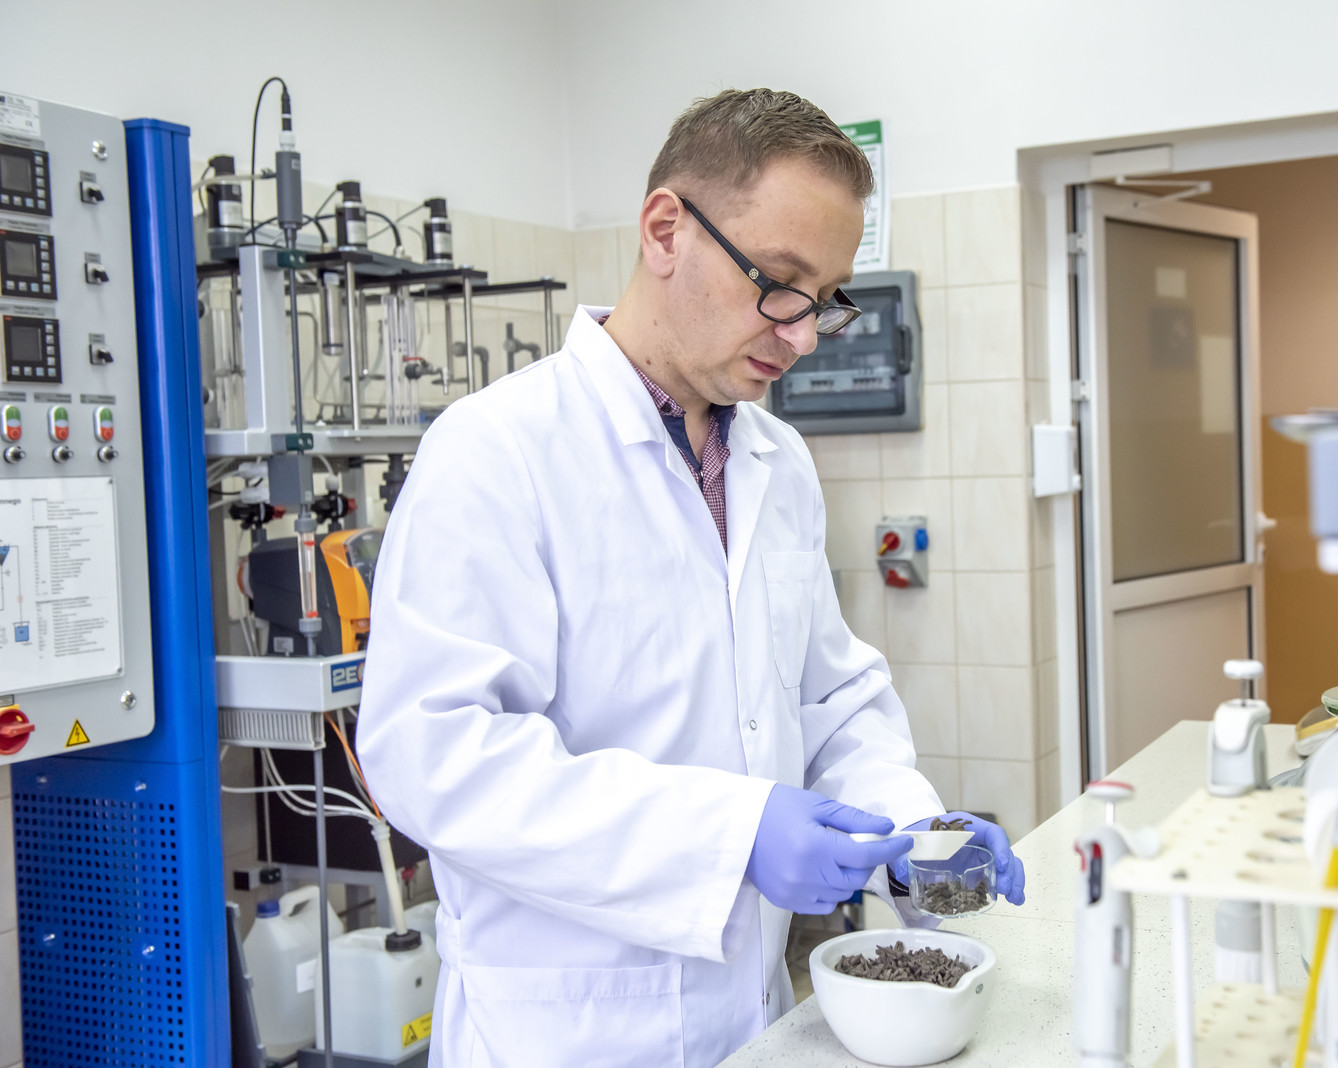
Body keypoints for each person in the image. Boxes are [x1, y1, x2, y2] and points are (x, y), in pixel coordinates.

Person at [357, 87, 1026, 1068]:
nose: (802, 335)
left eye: (826, 298)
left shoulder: (777, 461)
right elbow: (436, 757)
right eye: (781, 283)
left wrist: (912, 831)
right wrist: (731, 835)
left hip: (754, 1023)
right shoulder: (497, 451)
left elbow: (828, 700)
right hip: (566, 1033)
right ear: (665, 229)